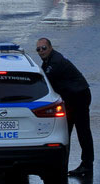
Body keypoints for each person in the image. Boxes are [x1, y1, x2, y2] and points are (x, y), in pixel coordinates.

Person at [36, 38, 94, 176]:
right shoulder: (48, 62)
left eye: (43, 48)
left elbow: (44, 84)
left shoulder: (55, 62)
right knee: (66, 132)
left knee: (82, 131)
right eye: (38, 49)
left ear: (50, 47)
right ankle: (62, 166)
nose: (41, 51)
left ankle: (86, 165)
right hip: (71, 98)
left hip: (79, 97)